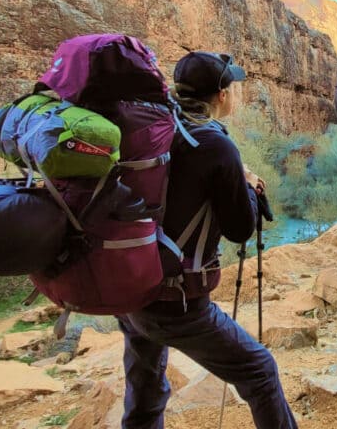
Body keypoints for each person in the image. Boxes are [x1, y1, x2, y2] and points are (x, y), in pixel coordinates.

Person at [116, 51, 295, 429]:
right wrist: (247, 185)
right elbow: (239, 229)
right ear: (222, 94)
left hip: (131, 285)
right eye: (231, 87)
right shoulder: (215, 145)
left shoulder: (156, 127)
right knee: (260, 370)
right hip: (176, 301)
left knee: (146, 388)